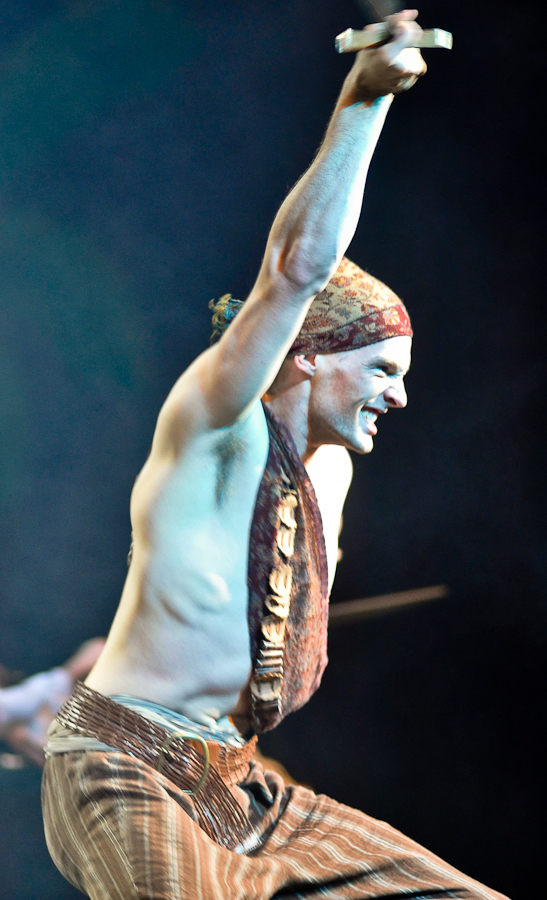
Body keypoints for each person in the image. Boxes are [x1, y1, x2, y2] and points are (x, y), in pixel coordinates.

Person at [42, 11, 509, 899]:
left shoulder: (330, 468)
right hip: (125, 764)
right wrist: (365, 100)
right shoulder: (217, 427)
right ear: (306, 355)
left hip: (244, 783)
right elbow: (295, 270)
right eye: (381, 370)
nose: (399, 397)